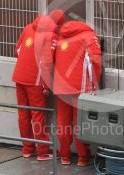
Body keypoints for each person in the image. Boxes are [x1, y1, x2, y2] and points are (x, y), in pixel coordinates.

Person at [12, 10, 65, 161]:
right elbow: (47, 63)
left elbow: (17, 49)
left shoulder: (28, 27)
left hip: (19, 77)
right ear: (59, 24)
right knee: (38, 115)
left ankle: (27, 149)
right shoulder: (51, 36)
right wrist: (47, 86)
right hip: (35, 82)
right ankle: (42, 151)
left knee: (23, 114)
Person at [53, 20, 102, 166]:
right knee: (80, 123)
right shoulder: (89, 36)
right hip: (79, 88)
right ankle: (83, 157)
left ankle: (64, 155)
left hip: (60, 87)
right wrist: (95, 85)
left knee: (63, 122)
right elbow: (96, 61)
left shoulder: (61, 37)